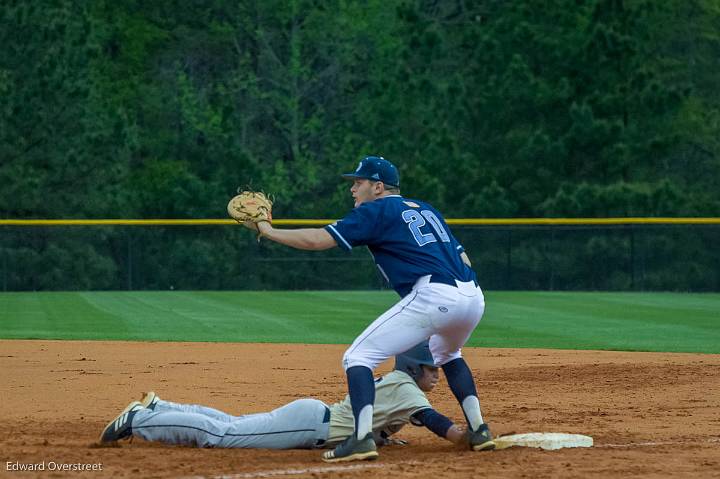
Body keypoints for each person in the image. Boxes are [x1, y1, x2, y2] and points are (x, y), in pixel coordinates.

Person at [242, 156, 494, 462]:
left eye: (358, 182)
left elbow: (317, 240)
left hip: (435, 293)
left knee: (357, 357)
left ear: (377, 187)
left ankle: (361, 439)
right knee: (448, 355)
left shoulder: (377, 209)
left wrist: (268, 230)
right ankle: (479, 430)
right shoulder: (426, 209)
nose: (352, 189)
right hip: (473, 295)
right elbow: (464, 258)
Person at [99, 342, 473, 453]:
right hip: (311, 425)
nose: (437, 374)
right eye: (431, 368)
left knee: (233, 423)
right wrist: (468, 437)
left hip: (312, 416)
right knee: (223, 435)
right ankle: (140, 420)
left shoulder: (397, 384)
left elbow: (402, 419)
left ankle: (160, 407)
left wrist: (381, 437)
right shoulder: (407, 390)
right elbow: (437, 423)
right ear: (412, 369)